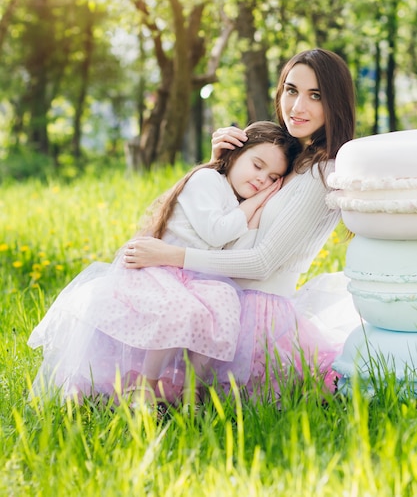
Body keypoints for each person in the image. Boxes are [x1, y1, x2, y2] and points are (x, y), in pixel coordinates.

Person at [122, 48, 361, 398]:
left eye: (316, 96)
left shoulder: (323, 172)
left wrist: (171, 255)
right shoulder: (291, 159)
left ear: (335, 103)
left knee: (191, 401)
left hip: (256, 316)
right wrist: (221, 165)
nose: (297, 107)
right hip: (220, 300)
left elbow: (261, 262)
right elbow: (223, 227)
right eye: (292, 91)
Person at [28, 121, 301, 407]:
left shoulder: (235, 197)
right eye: (257, 166)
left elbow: (236, 242)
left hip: (193, 277)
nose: (262, 180)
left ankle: (191, 387)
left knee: (226, 305)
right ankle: (144, 385)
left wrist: (253, 206)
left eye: (272, 178)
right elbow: (217, 232)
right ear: (234, 155)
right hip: (160, 270)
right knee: (178, 310)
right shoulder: (207, 181)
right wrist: (257, 201)